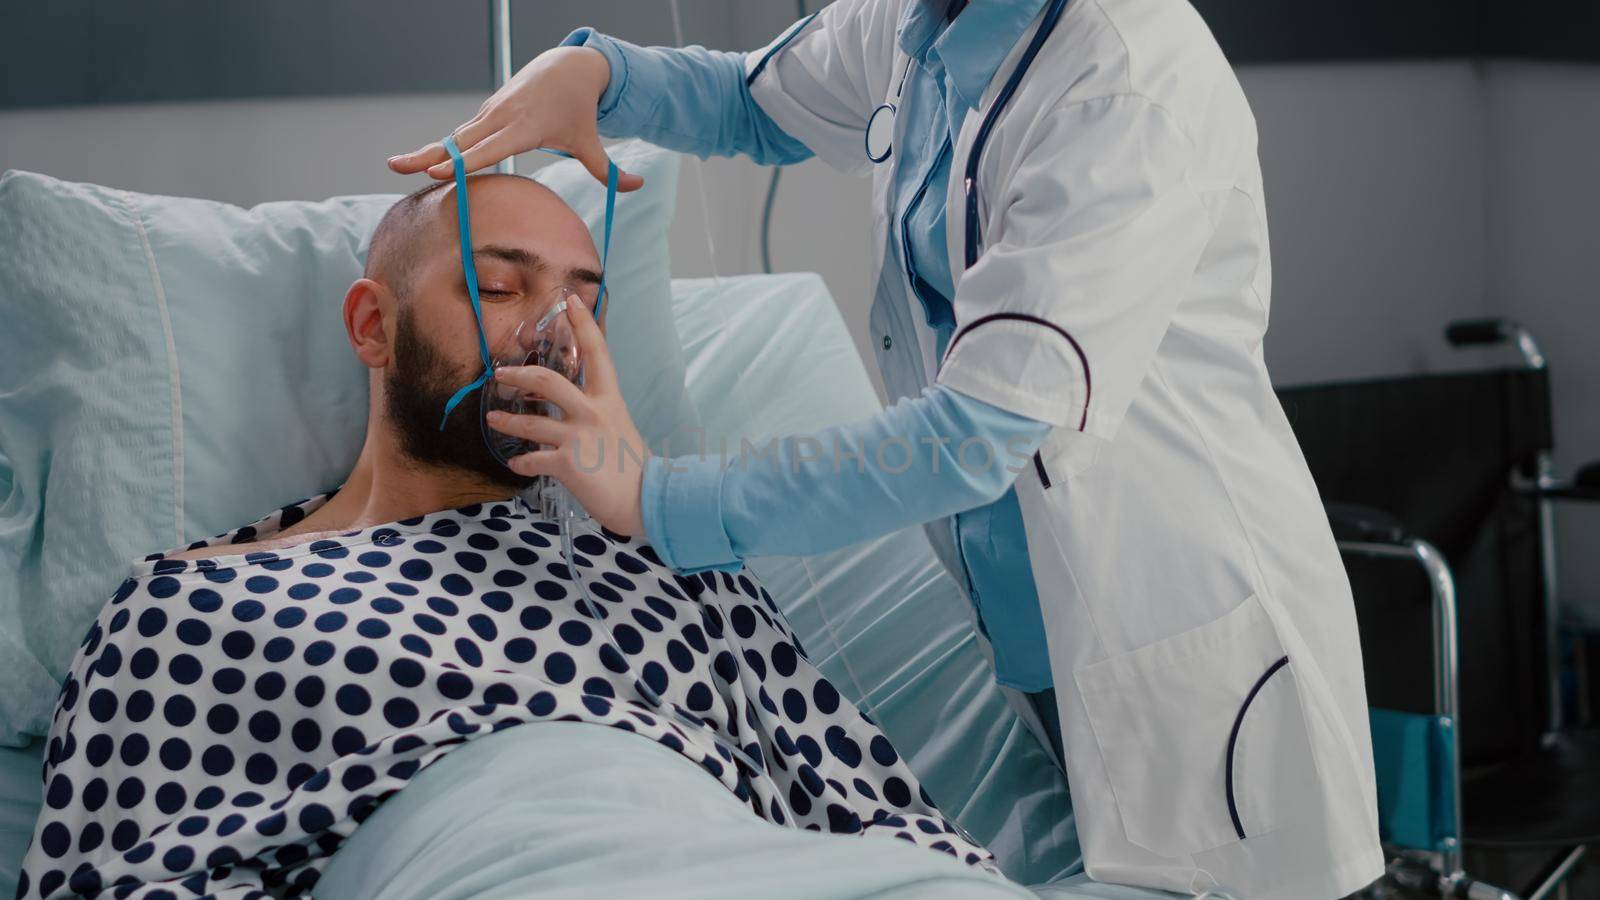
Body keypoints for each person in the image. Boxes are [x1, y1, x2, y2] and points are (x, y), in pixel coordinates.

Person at [389, 0, 1384, 896]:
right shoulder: (921, 25)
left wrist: (658, 500)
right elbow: (750, 102)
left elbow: (973, 437)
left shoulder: (1123, 84)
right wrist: (604, 74)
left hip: (1171, 627)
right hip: (1025, 629)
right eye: (493, 285)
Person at [14, 175, 1007, 900]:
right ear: (372, 326)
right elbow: (111, 882)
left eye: (584, 297)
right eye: (500, 287)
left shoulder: (663, 554)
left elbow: (879, 815)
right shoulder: (192, 605)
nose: (555, 329)